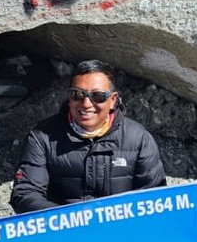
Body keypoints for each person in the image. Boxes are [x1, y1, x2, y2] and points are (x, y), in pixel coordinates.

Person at [9, 59, 166, 213]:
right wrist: (74, 220)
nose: (86, 104)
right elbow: (25, 195)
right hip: (64, 233)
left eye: (97, 95)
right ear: (69, 98)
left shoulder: (138, 138)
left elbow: (155, 199)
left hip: (120, 232)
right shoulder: (42, 137)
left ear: (113, 100)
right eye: (77, 94)